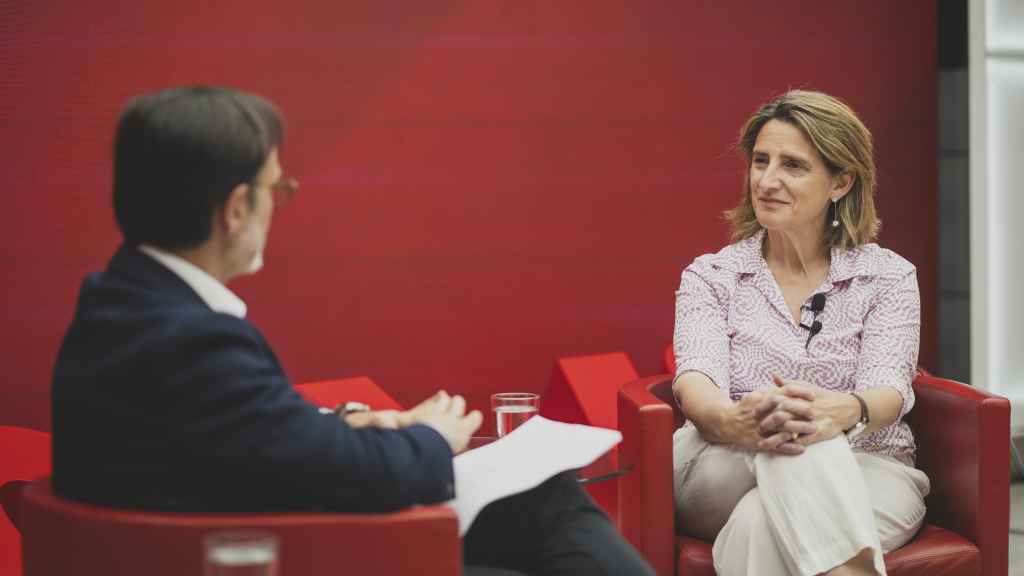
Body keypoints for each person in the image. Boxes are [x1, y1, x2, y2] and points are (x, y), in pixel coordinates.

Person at [52, 86, 653, 576]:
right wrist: (435, 437)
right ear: (235, 209)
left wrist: (348, 421)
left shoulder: (119, 305)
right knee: (548, 505)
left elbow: (238, 434)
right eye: (276, 189)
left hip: (236, 536)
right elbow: (348, 476)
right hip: (286, 553)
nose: (277, 205)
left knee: (541, 504)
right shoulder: (192, 340)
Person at [671, 90, 930, 576]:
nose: (767, 180)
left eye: (792, 166)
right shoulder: (712, 276)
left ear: (841, 182)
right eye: (761, 161)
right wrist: (735, 419)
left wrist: (840, 413)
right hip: (723, 460)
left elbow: (889, 390)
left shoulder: (888, 277)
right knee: (798, 438)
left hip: (869, 466)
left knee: (761, 517)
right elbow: (696, 379)